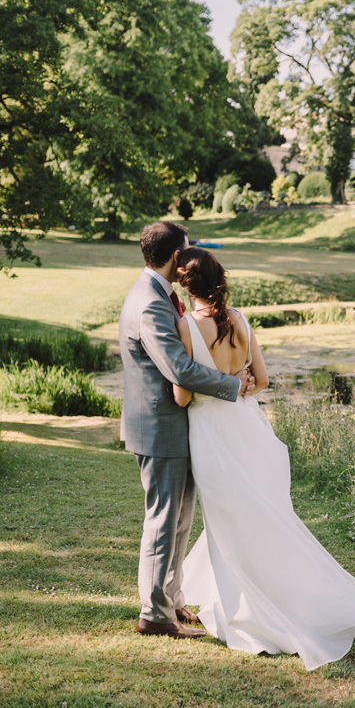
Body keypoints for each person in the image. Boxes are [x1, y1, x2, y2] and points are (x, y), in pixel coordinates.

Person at [171, 248, 355, 670]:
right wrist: (236, 386)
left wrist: (205, 384)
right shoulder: (239, 319)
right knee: (258, 517)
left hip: (213, 436)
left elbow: (182, 394)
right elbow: (261, 381)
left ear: (186, 286)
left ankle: (256, 610)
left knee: (229, 520)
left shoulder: (186, 325)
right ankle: (255, 592)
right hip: (249, 428)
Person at [119, 222, 254, 640]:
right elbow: (178, 368)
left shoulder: (159, 295)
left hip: (175, 426)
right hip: (160, 428)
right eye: (188, 250)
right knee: (163, 522)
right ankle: (155, 616)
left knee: (179, 520)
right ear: (177, 256)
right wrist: (233, 384)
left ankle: (172, 600)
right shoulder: (151, 304)